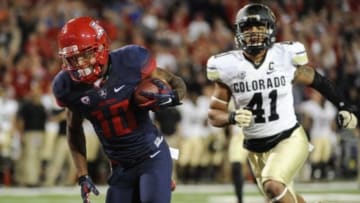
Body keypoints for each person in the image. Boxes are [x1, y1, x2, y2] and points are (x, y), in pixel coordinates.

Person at [206, 3, 358, 203]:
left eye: (259, 27)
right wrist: (232, 117)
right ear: (238, 31)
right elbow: (214, 114)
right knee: (283, 197)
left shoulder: (282, 57)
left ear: (270, 30)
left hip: (288, 138)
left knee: (273, 185)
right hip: (255, 149)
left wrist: (343, 105)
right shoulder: (228, 67)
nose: (254, 33)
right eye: (248, 27)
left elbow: (316, 80)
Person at [52, 16, 186, 203]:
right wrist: (83, 175)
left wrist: (173, 97)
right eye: (73, 58)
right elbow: (73, 130)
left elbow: (176, 82)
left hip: (152, 155)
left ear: (101, 47)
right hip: (120, 167)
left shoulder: (131, 61)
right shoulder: (66, 86)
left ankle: (159, 179)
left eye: (85, 54)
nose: (80, 64)